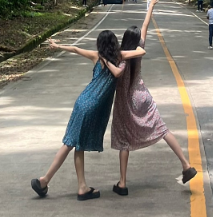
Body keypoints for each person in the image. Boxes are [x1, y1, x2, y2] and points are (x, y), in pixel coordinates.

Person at [31, 31, 146, 201]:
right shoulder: (119, 56)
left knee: (74, 143)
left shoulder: (97, 56)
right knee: (73, 143)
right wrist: (135, 42)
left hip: (82, 101)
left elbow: (76, 49)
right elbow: (141, 52)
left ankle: (80, 187)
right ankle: (45, 179)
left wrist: (57, 46)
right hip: (92, 107)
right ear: (114, 43)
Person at [111, 0, 197, 194]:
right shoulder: (139, 48)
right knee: (162, 129)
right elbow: (145, 24)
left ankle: (122, 183)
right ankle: (185, 165)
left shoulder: (119, 56)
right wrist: (151, 5)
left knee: (124, 140)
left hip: (125, 101)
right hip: (142, 96)